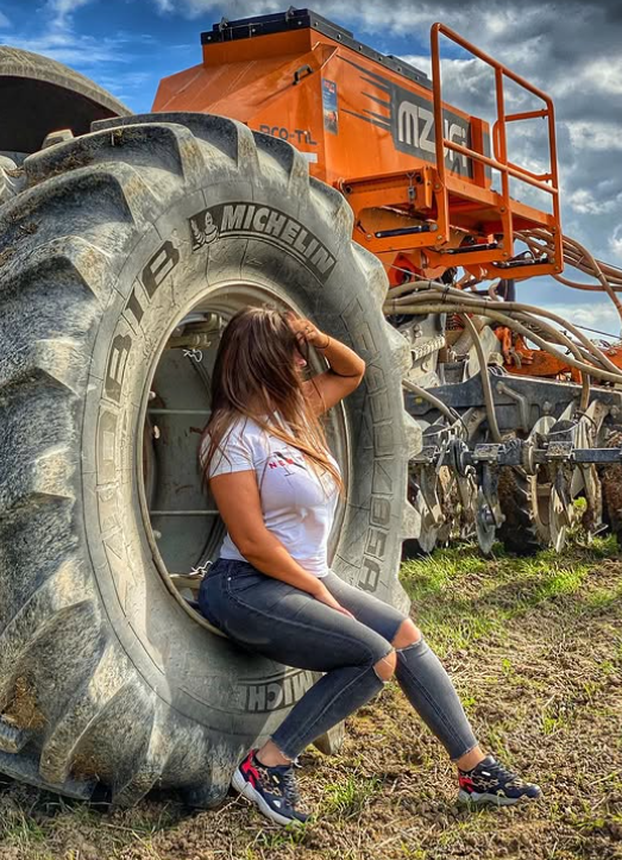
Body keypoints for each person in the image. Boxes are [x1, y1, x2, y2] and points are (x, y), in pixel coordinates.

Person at [198, 307, 541, 827]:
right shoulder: (233, 435)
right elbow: (251, 540)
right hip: (245, 583)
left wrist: (314, 332)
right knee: (374, 657)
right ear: (263, 359)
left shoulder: (295, 412)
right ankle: (267, 765)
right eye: (292, 350)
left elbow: (352, 370)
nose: (301, 359)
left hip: (304, 574)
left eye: (301, 350)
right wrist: (320, 590)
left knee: (404, 634)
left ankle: (475, 770)